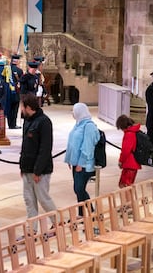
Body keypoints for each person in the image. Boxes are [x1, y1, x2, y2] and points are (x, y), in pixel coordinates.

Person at [19, 93, 57, 227]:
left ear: (28, 107)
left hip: (40, 170)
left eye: (22, 107)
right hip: (27, 168)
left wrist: (37, 171)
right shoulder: (27, 120)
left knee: (43, 199)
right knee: (29, 200)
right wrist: (22, 167)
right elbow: (25, 145)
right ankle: (32, 229)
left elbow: (45, 148)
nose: (21, 109)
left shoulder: (44, 122)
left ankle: (58, 223)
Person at [64, 103, 100, 216]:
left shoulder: (89, 126)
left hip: (84, 164)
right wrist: (70, 159)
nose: (72, 113)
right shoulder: (78, 124)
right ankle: (81, 213)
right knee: (77, 189)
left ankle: (91, 213)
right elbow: (73, 142)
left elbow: (87, 146)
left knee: (79, 188)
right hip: (76, 163)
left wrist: (81, 163)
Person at [115, 114, 141, 188]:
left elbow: (125, 151)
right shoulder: (134, 132)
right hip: (133, 163)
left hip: (129, 163)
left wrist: (121, 161)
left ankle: (128, 199)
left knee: (125, 186)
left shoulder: (129, 134)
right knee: (127, 185)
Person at [7, 54, 23, 129]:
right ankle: (13, 124)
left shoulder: (7, 69)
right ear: (17, 61)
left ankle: (9, 123)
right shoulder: (19, 70)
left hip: (8, 91)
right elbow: (21, 81)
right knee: (15, 108)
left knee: (9, 108)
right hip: (15, 91)